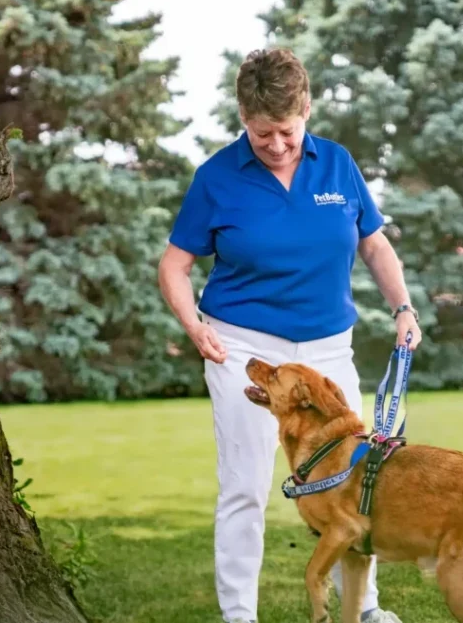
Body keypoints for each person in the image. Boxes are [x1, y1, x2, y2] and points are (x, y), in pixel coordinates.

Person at [158, 48, 422, 623]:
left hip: (329, 351)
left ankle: (366, 608)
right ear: (242, 118)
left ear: (306, 109)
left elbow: (373, 244)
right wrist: (192, 324)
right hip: (244, 352)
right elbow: (174, 265)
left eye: (287, 131)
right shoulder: (217, 177)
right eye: (261, 134)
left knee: (355, 480)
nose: (276, 144)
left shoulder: (338, 165)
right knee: (246, 483)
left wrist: (403, 307)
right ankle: (238, 615)